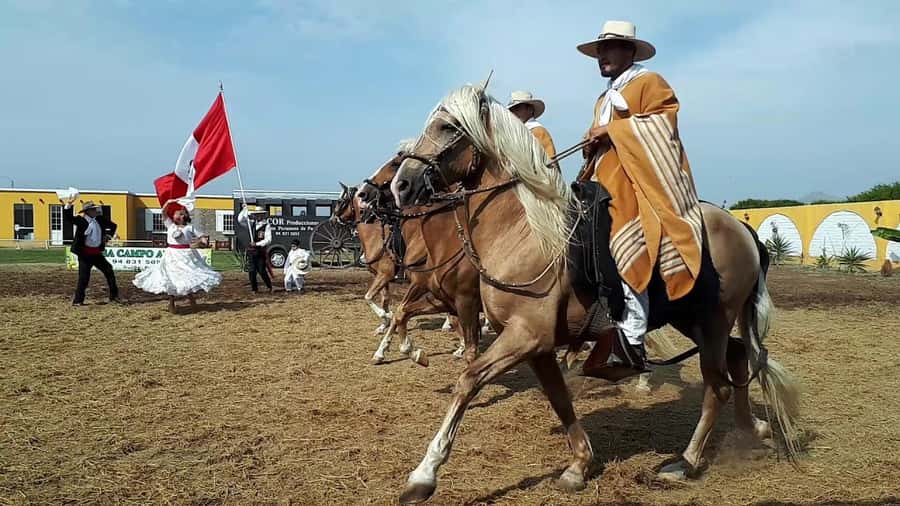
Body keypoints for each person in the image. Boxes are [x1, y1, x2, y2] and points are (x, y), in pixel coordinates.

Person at [577, 20, 703, 379]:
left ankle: (632, 335)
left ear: (630, 51)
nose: (602, 56)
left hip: (636, 185)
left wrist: (612, 129)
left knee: (623, 244)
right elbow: (602, 139)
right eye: (600, 50)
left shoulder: (650, 82)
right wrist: (592, 140)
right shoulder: (604, 97)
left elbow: (664, 125)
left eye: (610, 48)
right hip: (604, 180)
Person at [132, 200, 222, 313]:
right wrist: (168, 202)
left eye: (176, 213)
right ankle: (172, 302)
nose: (173, 215)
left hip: (186, 256)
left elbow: (203, 237)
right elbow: (163, 212)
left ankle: (192, 300)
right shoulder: (170, 225)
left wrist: (202, 242)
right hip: (171, 256)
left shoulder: (190, 227)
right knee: (171, 277)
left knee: (187, 277)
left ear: (183, 216)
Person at [65, 199, 121, 306]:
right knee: (84, 277)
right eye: (93, 209)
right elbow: (69, 217)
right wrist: (69, 204)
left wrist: (108, 235)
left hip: (96, 253)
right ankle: (78, 301)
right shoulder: (81, 221)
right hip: (85, 254)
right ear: (88, 211)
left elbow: (113, 226)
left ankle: (114, 297)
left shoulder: (99, 219)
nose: (96, 211)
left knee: (109, 270)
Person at [507, 90, 558, 160]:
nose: (514, 113)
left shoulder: (538, 131)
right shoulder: (514, 133)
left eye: (517, 108)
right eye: (511, 110)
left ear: (530, 109)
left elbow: (550, 160)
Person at [237, 204, 273, 293]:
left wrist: (257, 244)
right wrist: (244, 209)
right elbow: (240, 220)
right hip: (251, 252)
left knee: (261, 270)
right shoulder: (250, 224)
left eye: (259, 214)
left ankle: (269, 286)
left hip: (260, 252)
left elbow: (268, 240)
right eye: (256, 214)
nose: (257, 216)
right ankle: (254, 289)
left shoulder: (266, 225)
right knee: (252, 271)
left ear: (263, 215)